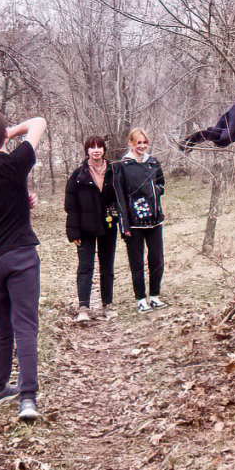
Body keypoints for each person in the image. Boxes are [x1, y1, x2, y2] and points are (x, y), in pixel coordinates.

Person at [0, 112, 47, 421]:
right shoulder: (15, 163)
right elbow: (39, 122)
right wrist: (9, 132)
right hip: (21, 256)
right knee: (26, 326)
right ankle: (28, 398)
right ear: (4, 135)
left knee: (2, 327)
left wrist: (17, 200)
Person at [65, 136, 118, 323]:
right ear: (86, 151)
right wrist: (74, 232)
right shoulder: (78, 175)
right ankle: (84, 307)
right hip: (85, 227)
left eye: (99, 147)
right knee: (85, 267)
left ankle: (108, 305)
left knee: (107, 267)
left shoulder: (114, 171)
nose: (96, 150)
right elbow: (71, 206)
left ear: (104, 150)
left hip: (109, 225)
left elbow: (122, 197)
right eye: (92, 147)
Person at [114, 128, 167, 314]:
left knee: (157, 259)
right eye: (138, 143)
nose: (142, 146)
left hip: (154, 221)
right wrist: (124, 223)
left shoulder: (153, 162)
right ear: (131, 143)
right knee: (136, 262)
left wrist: (154, 195)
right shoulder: (123, 165)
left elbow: (161, 184)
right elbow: (119, 195)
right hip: (134, 224)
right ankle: (140, 299)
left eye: (145, 142)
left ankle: (154, 296)